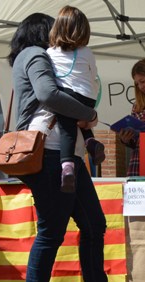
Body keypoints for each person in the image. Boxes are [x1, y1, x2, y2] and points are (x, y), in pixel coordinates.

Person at [10, 12, 140, 282]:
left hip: (66, 154)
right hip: (51, 153)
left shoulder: (42, 56)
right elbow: (48, 94)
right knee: (51, 231)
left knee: (94, 225)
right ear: (44, 31)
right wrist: (90, 115)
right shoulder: (36, 55)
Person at [46, 5, 105, 193]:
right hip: (87, 97)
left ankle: (67, 167)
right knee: (82, 123)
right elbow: (93, 74)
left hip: (67, 97)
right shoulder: (87, 52)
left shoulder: (50, 53)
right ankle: (92, 143)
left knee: (67, 130)